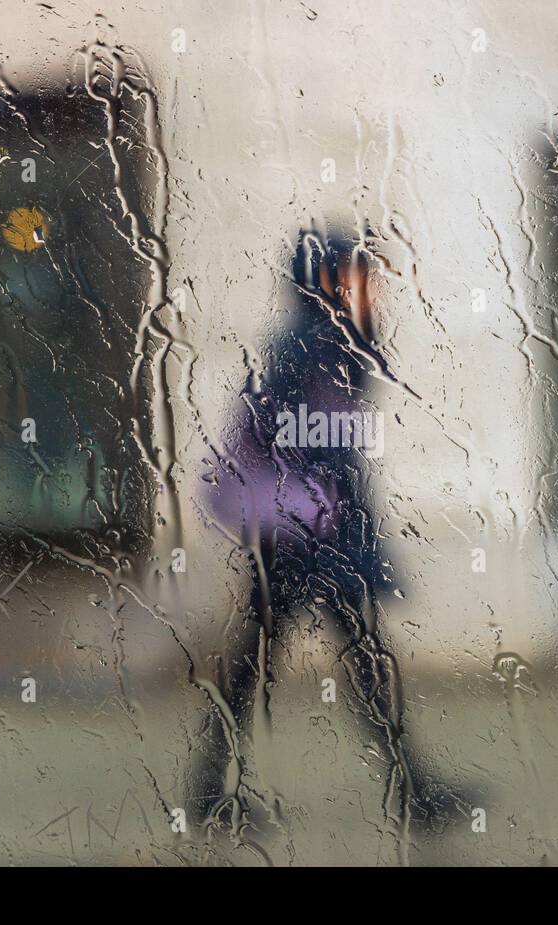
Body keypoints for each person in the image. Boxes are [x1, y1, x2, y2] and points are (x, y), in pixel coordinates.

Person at [199, 224, 418, 847]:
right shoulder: (311, 344)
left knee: (297, 659)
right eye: (359, 275)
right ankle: (414, 791)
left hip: (313, 527)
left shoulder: (329, 340)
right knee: (313, 659)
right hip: (304, 532)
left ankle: (414, 789)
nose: (372, 287)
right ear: (327, 280)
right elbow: (293, 436)